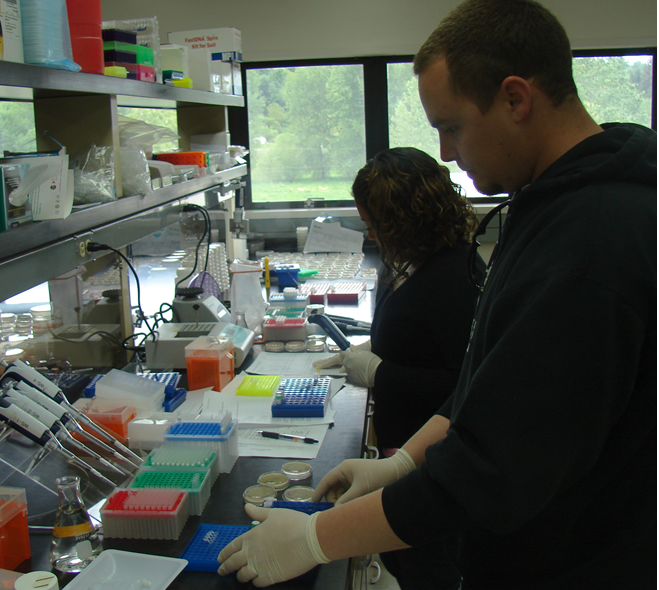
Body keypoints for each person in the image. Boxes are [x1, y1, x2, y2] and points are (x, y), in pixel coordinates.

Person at [217, 0, 656, 588]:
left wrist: (318, 538)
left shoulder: (589, 244)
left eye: (450, 126)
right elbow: (488, 380)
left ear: (516, 98)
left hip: (573, 562)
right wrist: (403, 461)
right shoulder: (551, 197)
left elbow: (491, 473)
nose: (446, 154)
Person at [314, 147, 484, 589]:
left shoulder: (453, 276)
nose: (370, 237)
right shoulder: (421, 260)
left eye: (374, 225)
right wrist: (379, 345)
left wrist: (377, 372)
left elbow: (463, 387)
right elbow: (421, 335)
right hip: (402, 453)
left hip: (425, 465)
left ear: (404, 220)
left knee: (428, 572)